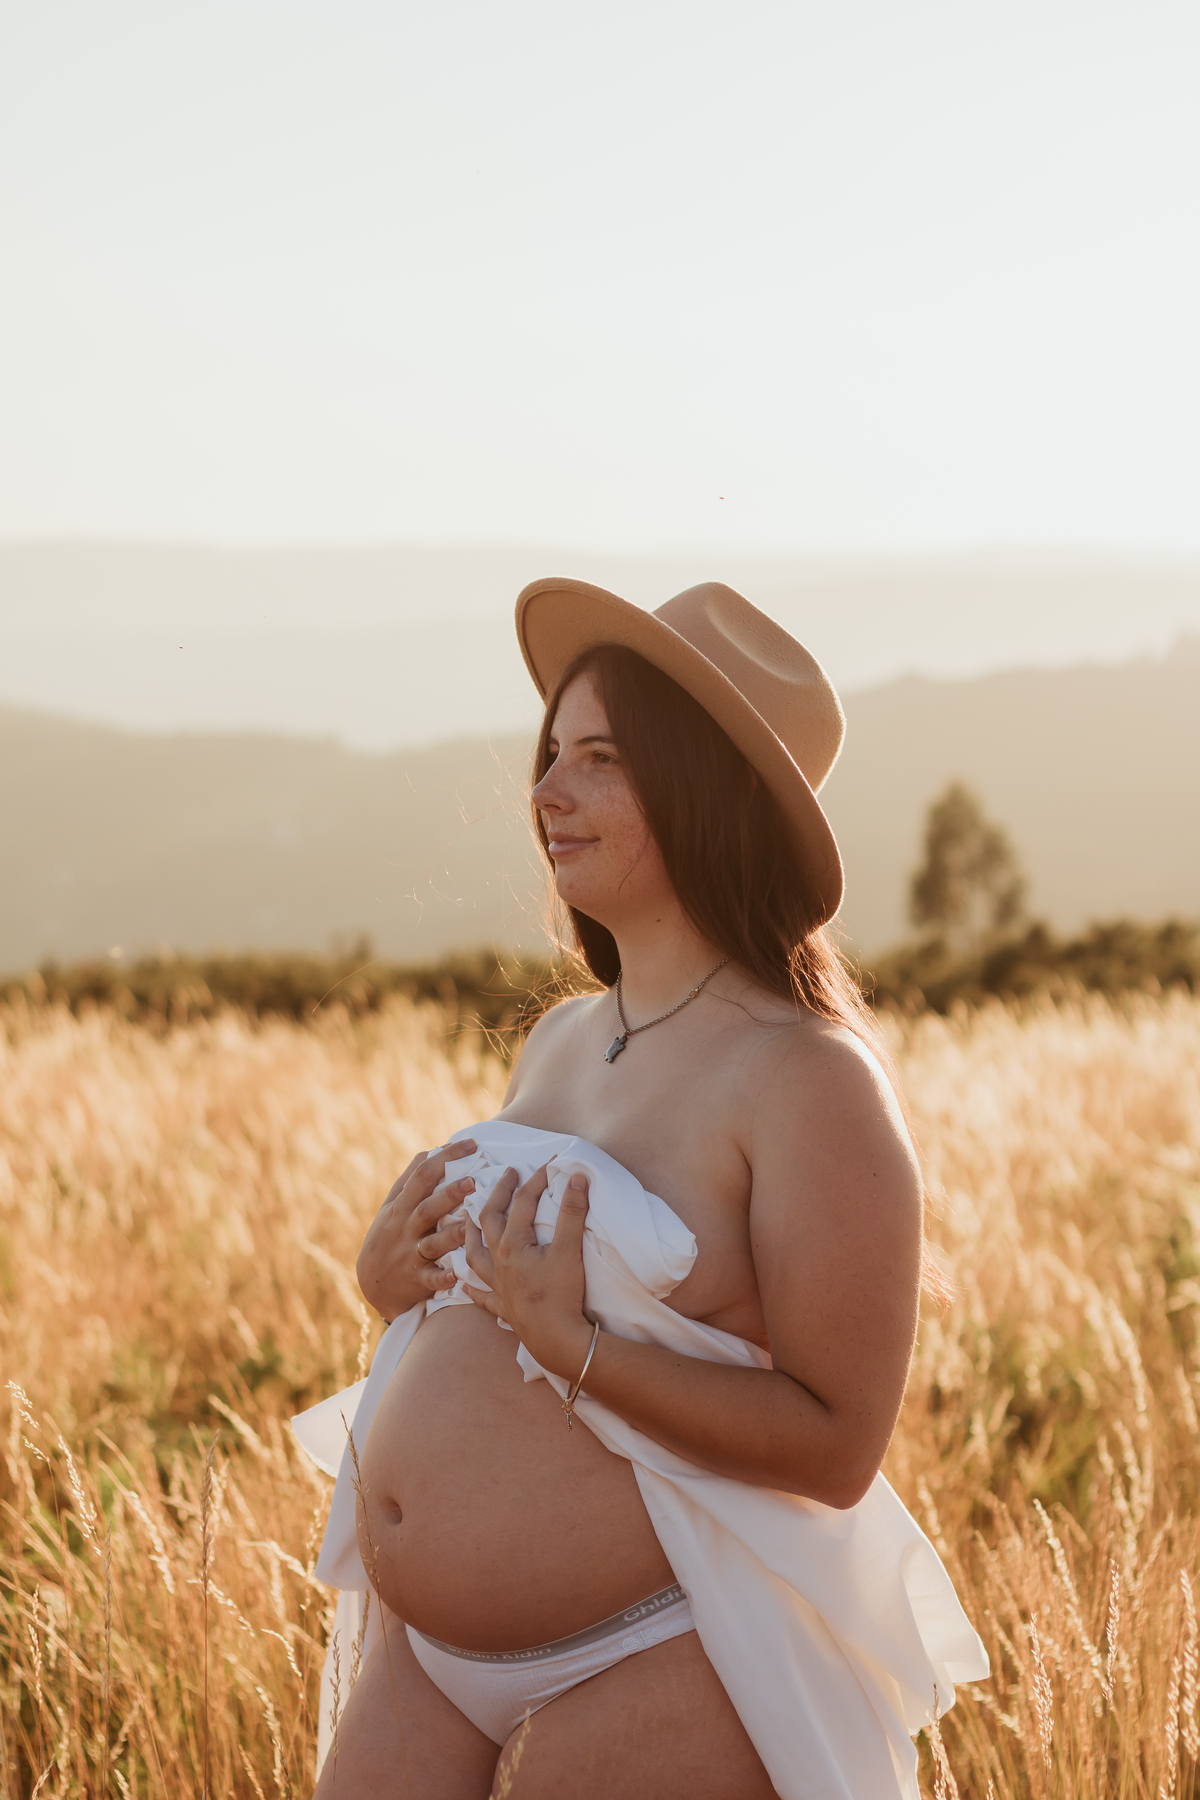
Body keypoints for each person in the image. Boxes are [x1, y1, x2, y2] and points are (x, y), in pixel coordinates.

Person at [297, 580, 988, 1800]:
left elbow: (837, 1443)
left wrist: (577, 1351)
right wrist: (390, 1286)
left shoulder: (807, 1079)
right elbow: (497, 1315)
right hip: (428, 1661)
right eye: (551, 754)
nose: (545, 793)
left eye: (600, 759)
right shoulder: (563, 1038)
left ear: (703, 790)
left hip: (660, 1645)